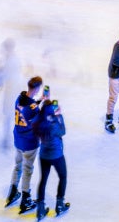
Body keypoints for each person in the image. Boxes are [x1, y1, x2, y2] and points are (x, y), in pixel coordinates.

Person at [7, 76, 44, 213]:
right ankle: (25, 199)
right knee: (28, 169)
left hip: (18, 140)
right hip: (30, 143)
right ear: (37, 88)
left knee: (18, 166)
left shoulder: (19, 98)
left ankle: (12, 191)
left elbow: (30, 106)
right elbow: (39, 118)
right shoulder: (33, 108)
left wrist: (39, 101)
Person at [32, 90, 69, 218]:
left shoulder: (38, 121)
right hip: (56, 155)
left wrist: (45, 101)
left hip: (43, 156)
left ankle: (40, 209)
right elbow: (63, 131)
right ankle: (59, 205)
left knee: (43, 179)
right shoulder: (54, 123)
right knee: (63, 177)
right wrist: (59, 116)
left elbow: (41, 112)